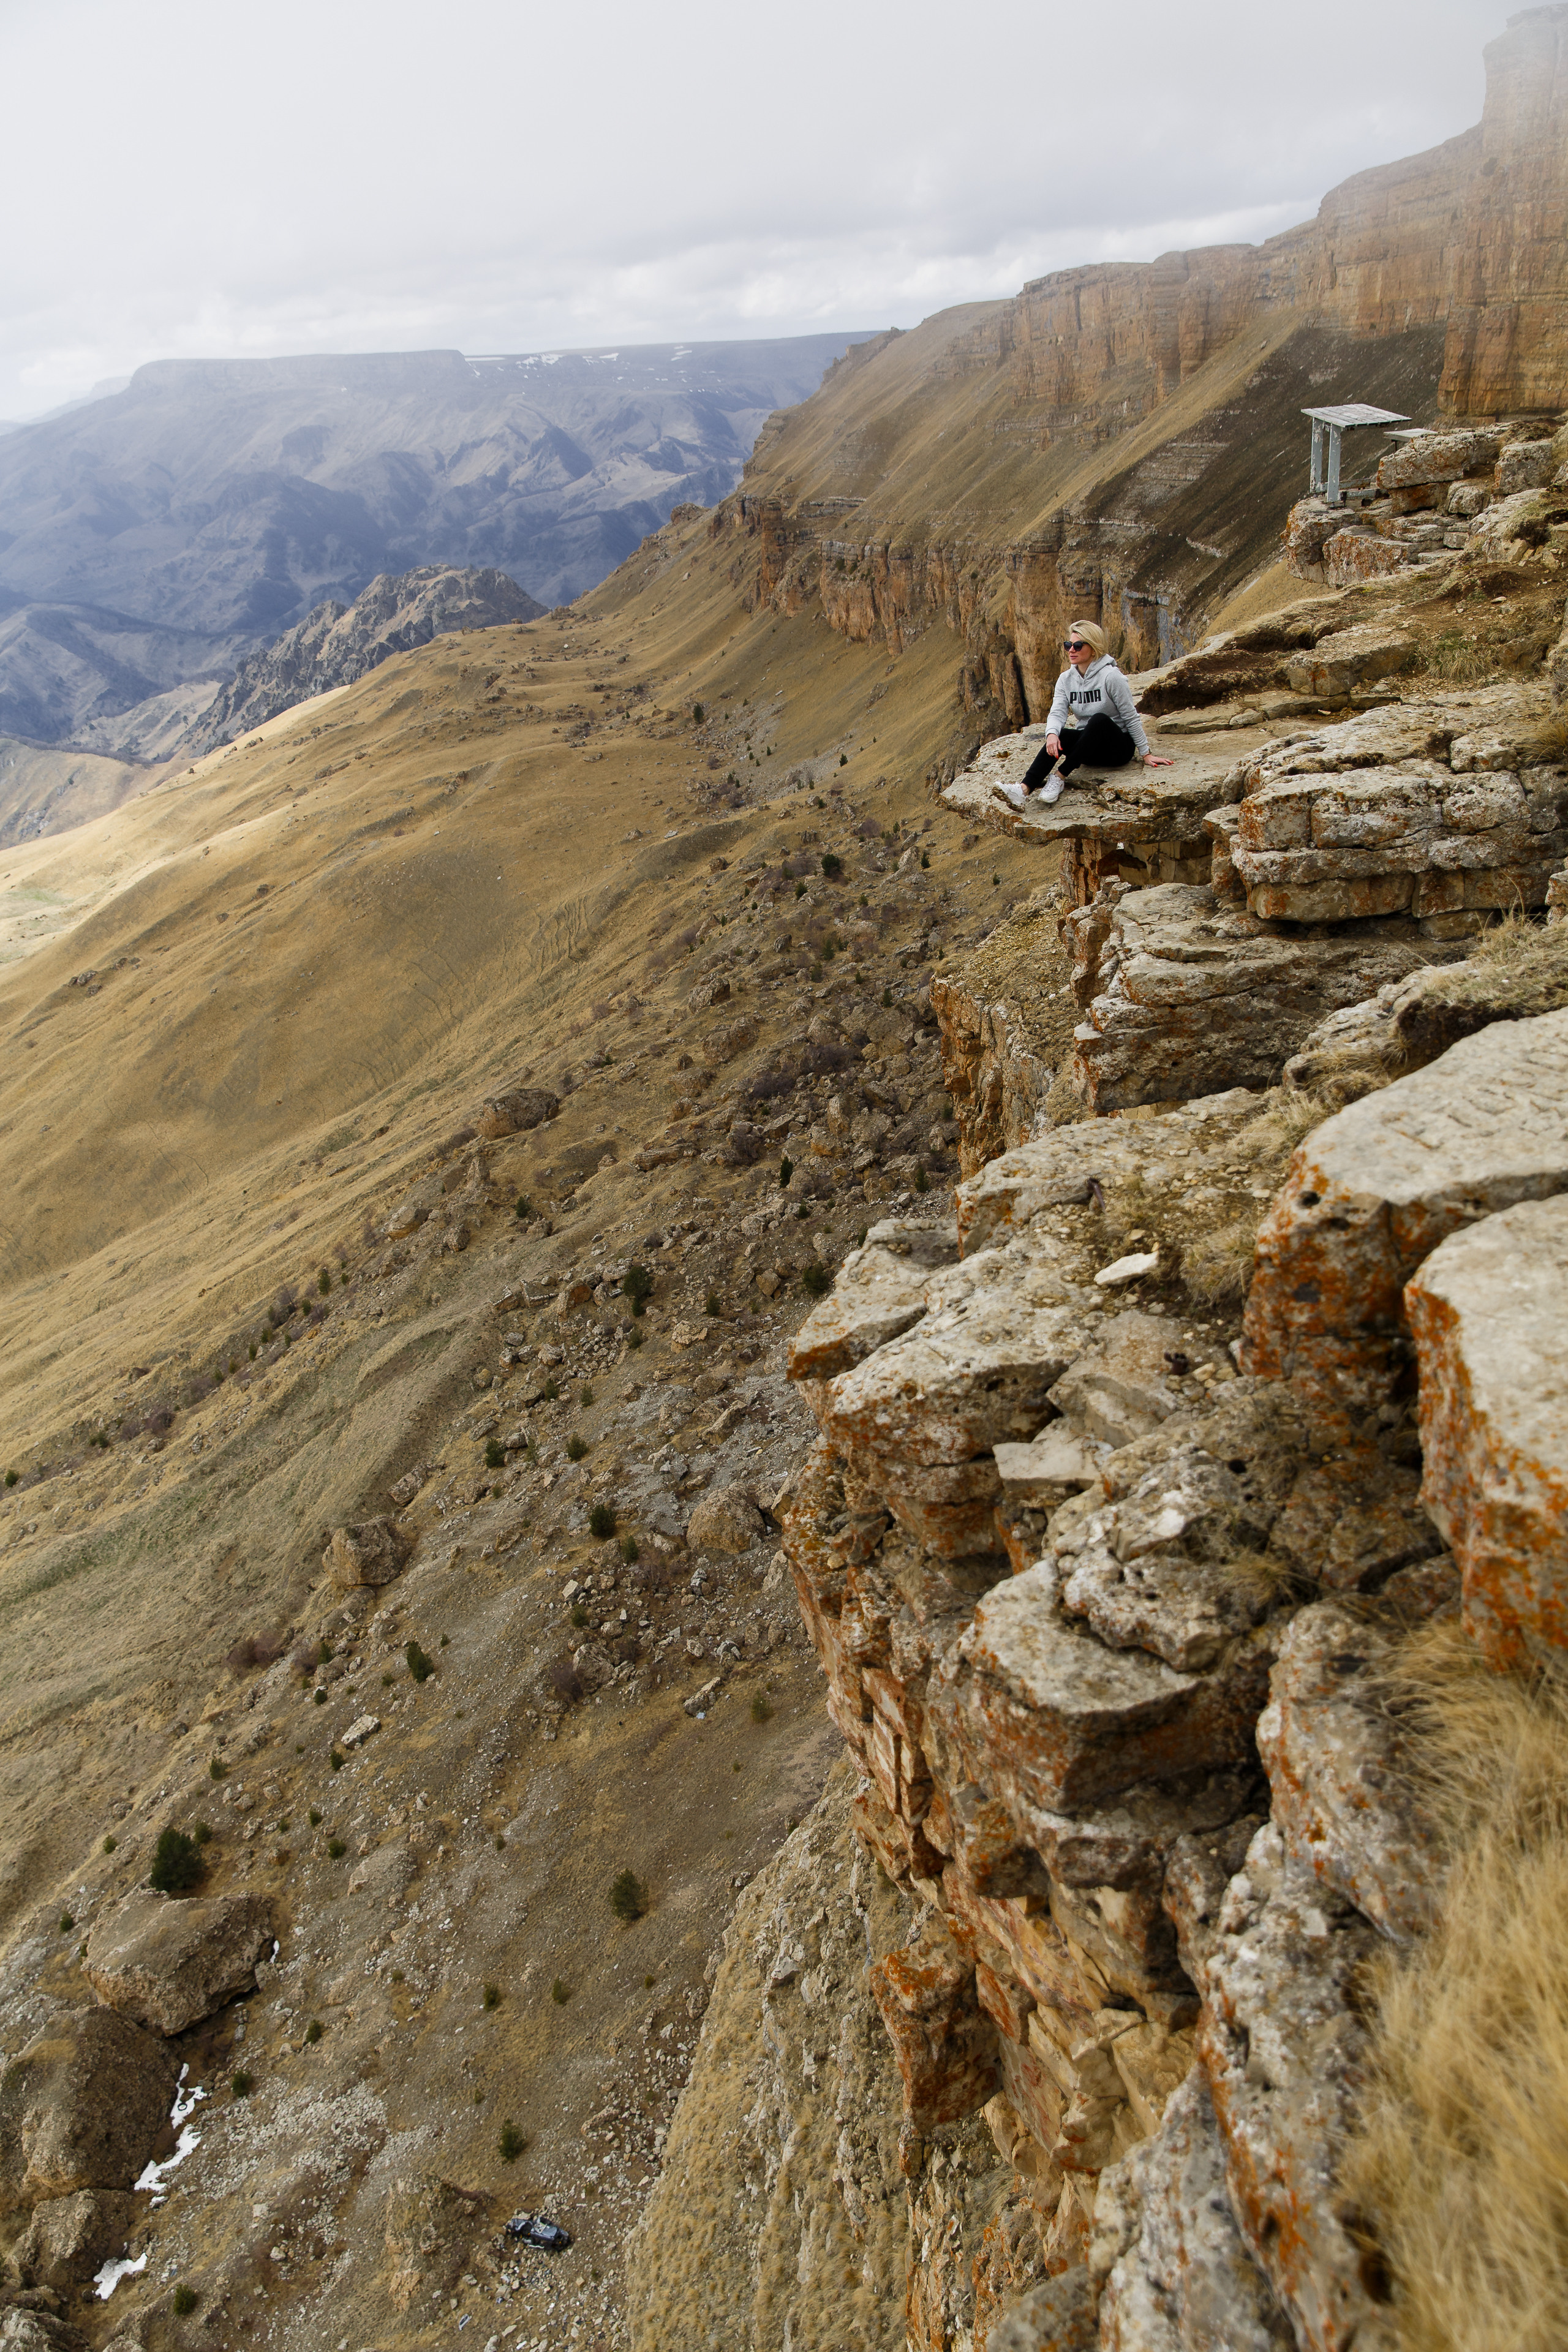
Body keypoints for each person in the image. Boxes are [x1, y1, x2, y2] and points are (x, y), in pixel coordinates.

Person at [995, 620, 1170, 808]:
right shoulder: (1066, 679)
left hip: (1117, 750)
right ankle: (1023, 790)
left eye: (1078, 646)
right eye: (1068, 645)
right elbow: (1057, 712)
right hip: (1087, 751)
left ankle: (1059, 777)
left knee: (1099, 720)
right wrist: (1052, 734)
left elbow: (1131, 716)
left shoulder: (1112, 677)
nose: (1071, 650)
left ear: (1093, 649)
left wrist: (1145, 754)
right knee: (1060, 734)